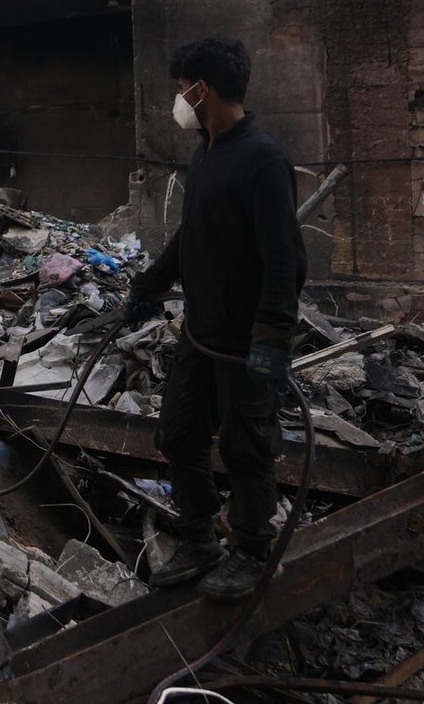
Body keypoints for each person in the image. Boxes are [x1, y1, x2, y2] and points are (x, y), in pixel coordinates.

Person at [123, 35, 306, 601]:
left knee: (246, 446)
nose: (178, 99)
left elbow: (285, 258)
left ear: (202, 89)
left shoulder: (263, 159)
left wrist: (272, 337)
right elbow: (192, 235)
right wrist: (150, 282)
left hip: (244, 341)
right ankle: (200, 539)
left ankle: (252, 550)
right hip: (200, 333)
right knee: (178, 434)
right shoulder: (205, 153)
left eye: (182, 88)